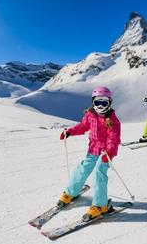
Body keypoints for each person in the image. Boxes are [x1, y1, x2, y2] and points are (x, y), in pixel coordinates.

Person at [58, 86, 121, 220]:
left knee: (99, 172)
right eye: (97, 102)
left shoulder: (113, 121)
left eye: (103, 102)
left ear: (109, 102)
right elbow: (82, 126)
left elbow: (114, 139)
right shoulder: (90, 115)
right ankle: (71, 192)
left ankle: (100, 206)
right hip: (93, 149)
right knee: (83, 168)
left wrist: (109, 152)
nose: (100, 105)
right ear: (93, 102)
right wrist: (69, 131)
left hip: (105, 154)